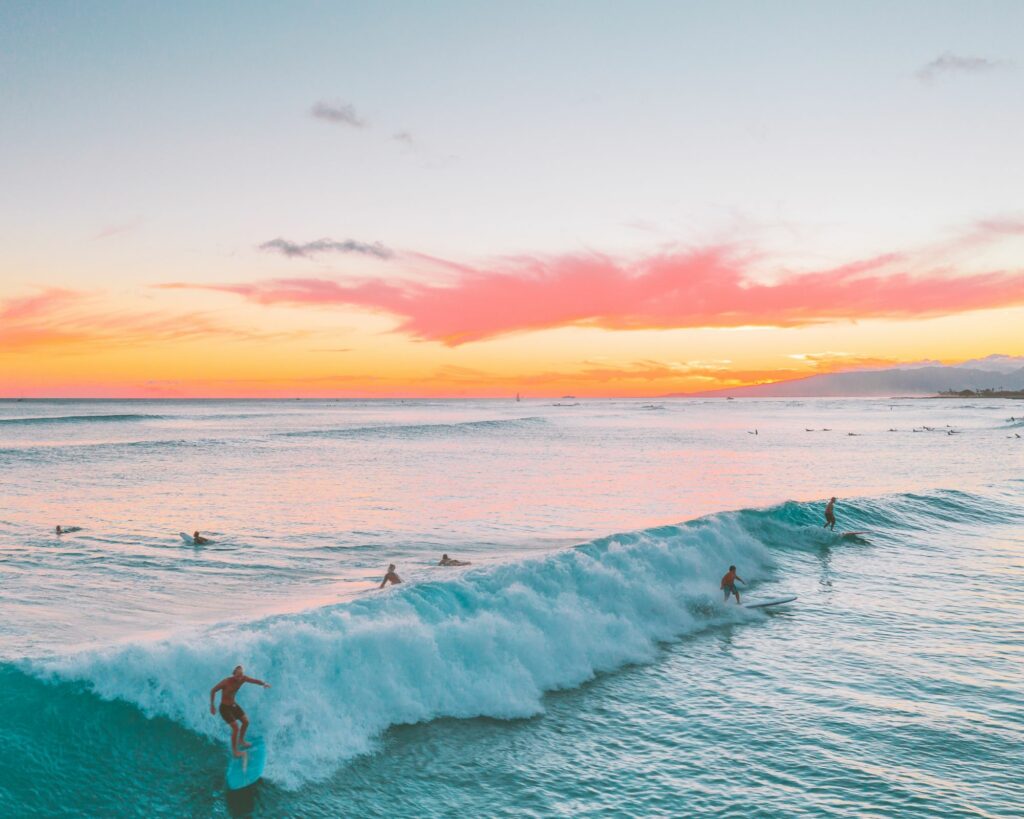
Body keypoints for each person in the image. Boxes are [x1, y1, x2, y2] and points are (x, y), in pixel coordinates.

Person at [209, 665, 271, 758]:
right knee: (235, 728)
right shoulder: (226, 682)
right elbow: (213, 690)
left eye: (241, 675)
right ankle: (235, 751)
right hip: (224, 708)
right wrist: (212, 705)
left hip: (233, 705)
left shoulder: (243, 679)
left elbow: (254, 681)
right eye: (238, 676)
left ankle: (241, 741)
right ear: (233, 674)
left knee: (246, 721)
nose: (239, 678)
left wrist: (263, 683)